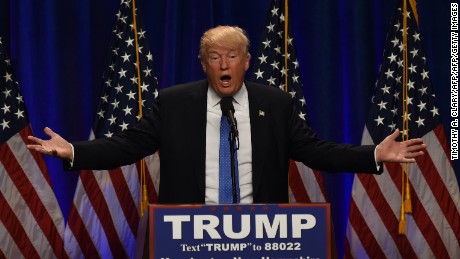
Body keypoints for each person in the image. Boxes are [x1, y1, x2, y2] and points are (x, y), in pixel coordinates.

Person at [27, 25, 426, 204]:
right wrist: (74, 152)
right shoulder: (174, 103)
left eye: (232, 56)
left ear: (246, 62)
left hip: (261, 232)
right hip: (189, 233)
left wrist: (374, 155)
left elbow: (316, 151)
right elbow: (127, 146)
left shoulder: (276, 103)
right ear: (204, 64)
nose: (224, 64)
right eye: (215, 57)